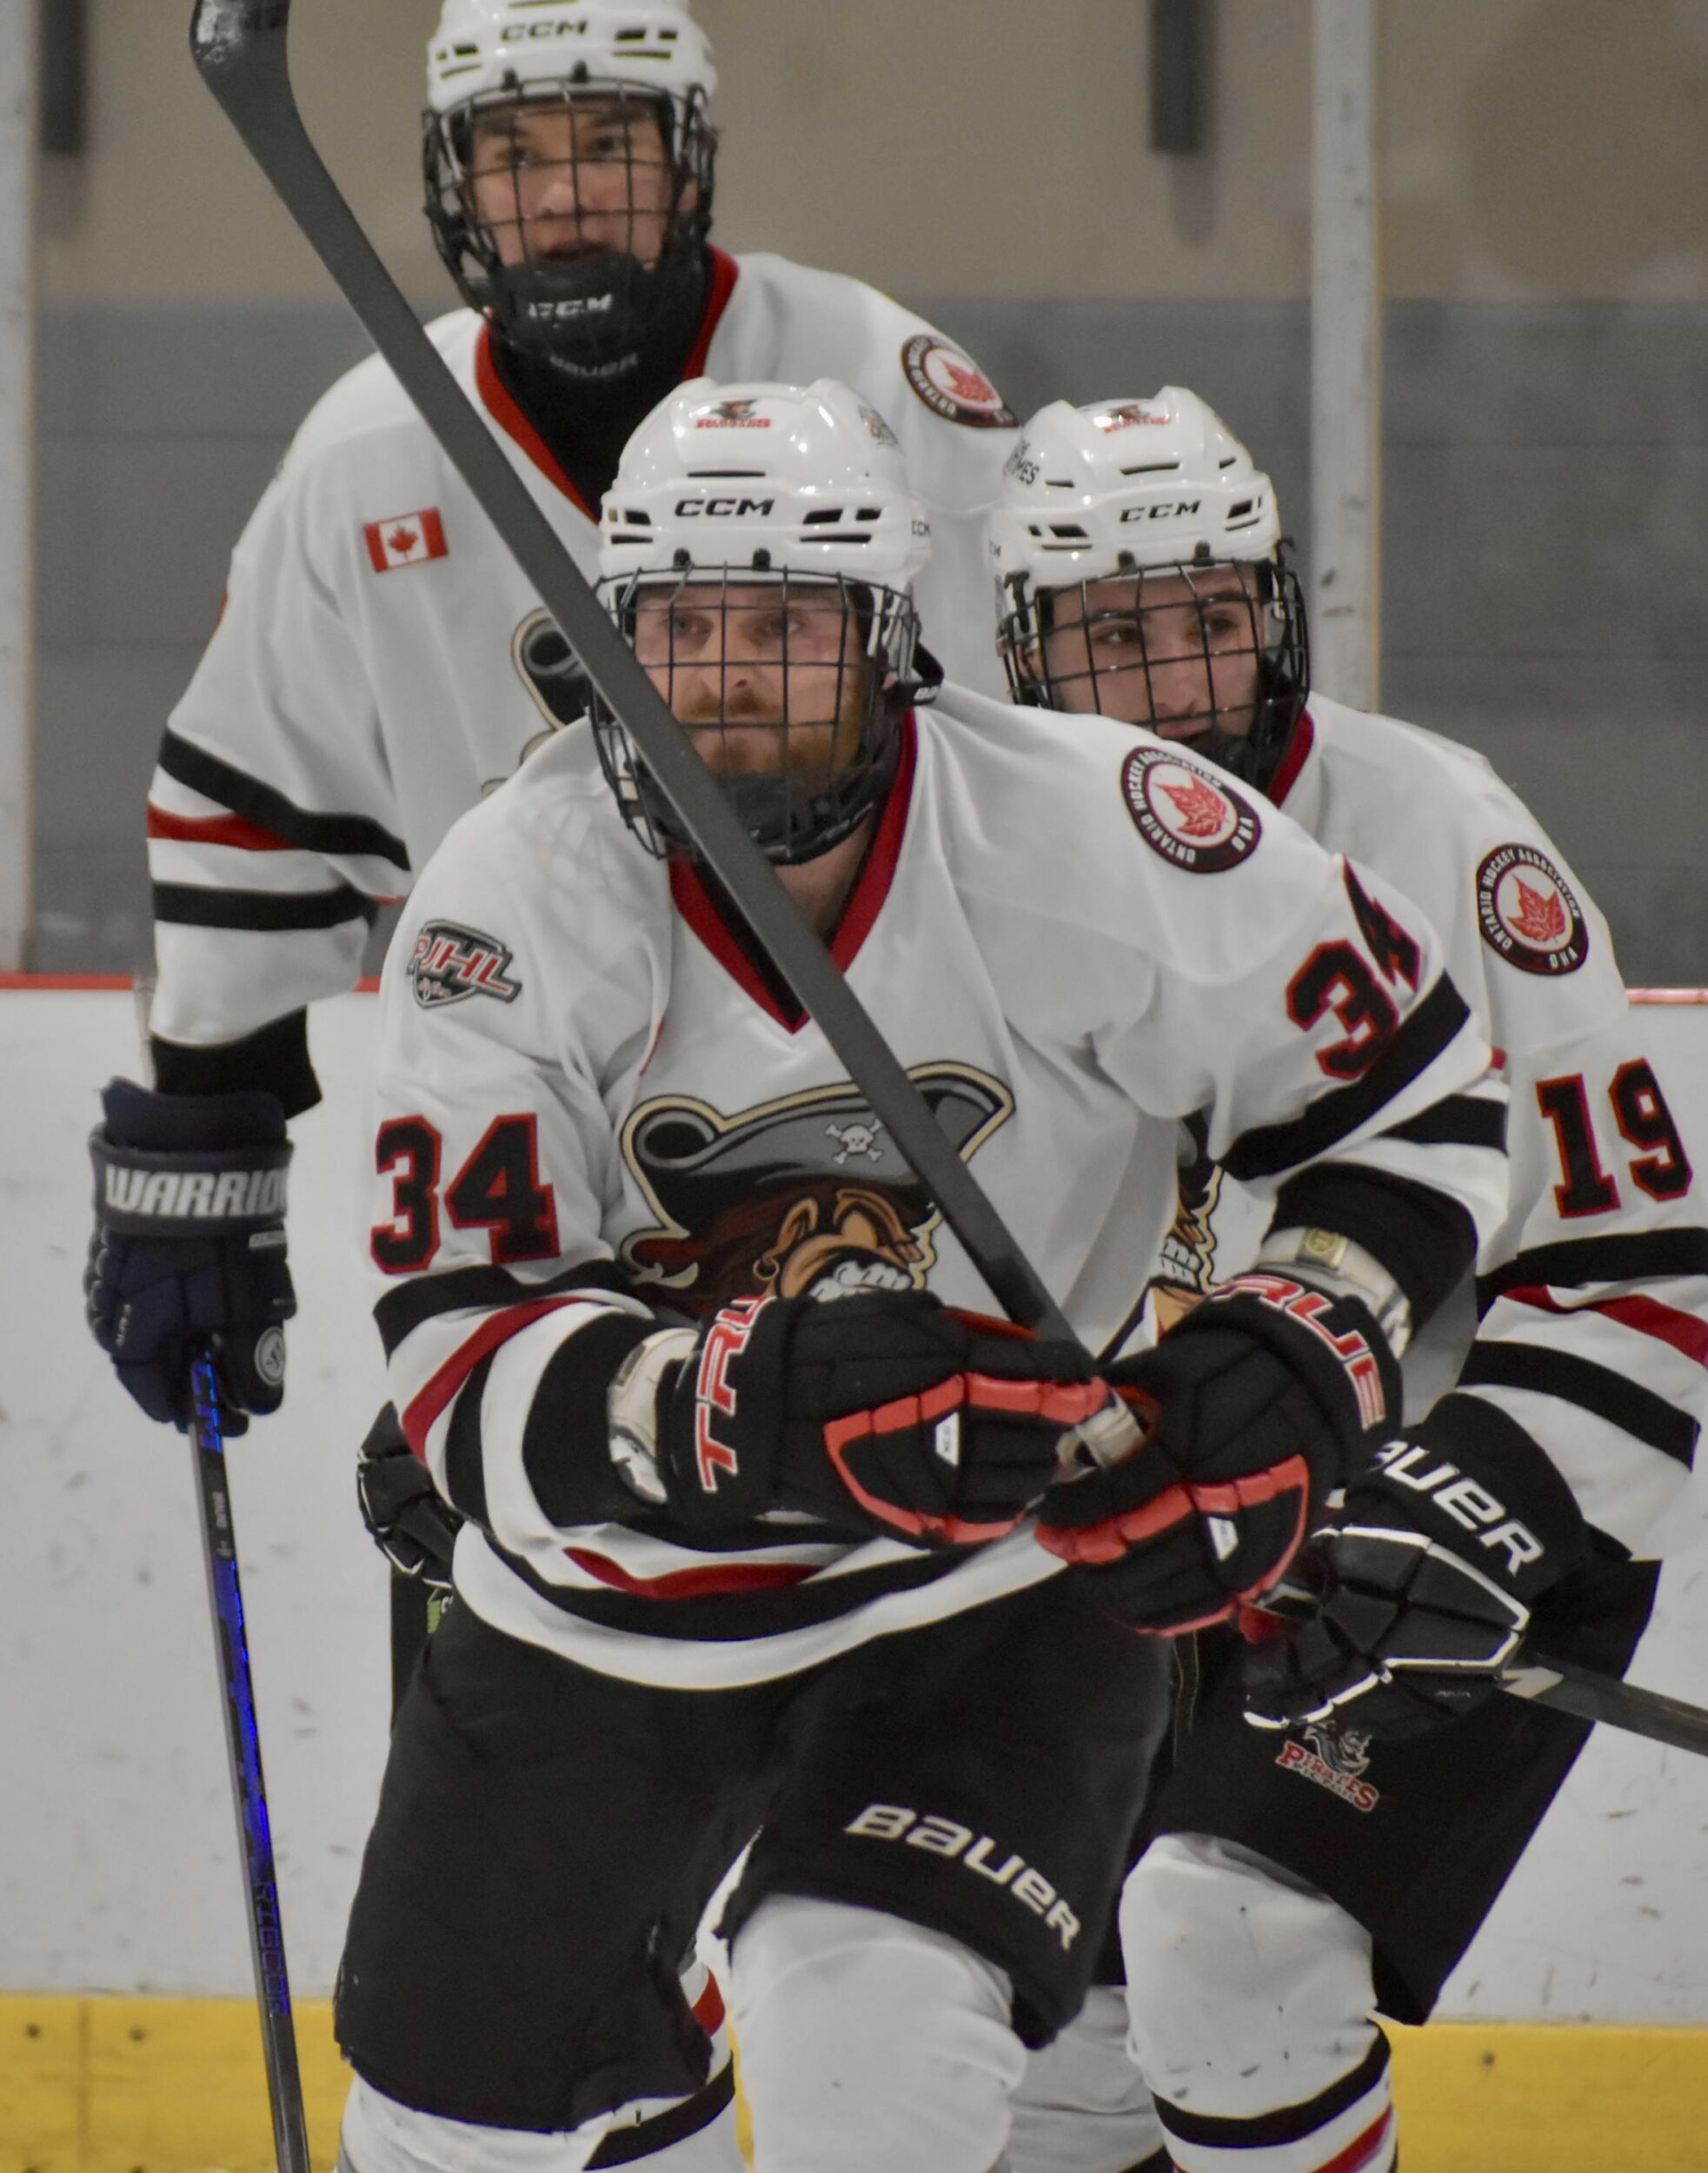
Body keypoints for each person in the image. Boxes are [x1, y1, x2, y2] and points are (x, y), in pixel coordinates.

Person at [324, 372, 1508, 2173]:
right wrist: (730, 1404)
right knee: (442, 2129)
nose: (724, 677)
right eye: (684, 626)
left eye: (784, 628)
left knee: (861, 2037)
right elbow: (455, 1347)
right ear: (610, 637)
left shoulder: (1089, 830)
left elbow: (1411, 1085)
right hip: (613, 1602)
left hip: (996, 1585)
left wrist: (1298, 1350)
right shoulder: (509, 904)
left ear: (888, 643)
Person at [85, 0, 1022, 1434]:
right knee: (531, 1541)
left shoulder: (874, 387)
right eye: (514, 153)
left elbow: (1035, 754)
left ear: (688, 161)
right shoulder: (366, 456)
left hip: (893, 1120)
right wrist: (211, 1140)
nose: (567, 194)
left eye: (608, 144)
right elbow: (252, 808)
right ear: (457, 181)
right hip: (525, 1124)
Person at [988, 389, 1706, 2173]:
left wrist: (1470, 1500)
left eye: (1210, 620)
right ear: (1015, 648)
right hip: (1117, 1527)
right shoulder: (968, 851)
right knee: (1028, 2006)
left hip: (1424, 1532)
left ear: (1278, 611)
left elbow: (1637, 1265)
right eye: (1110, 636)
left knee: (1224, 1940)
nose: (1171, 686)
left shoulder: (1429, 827)